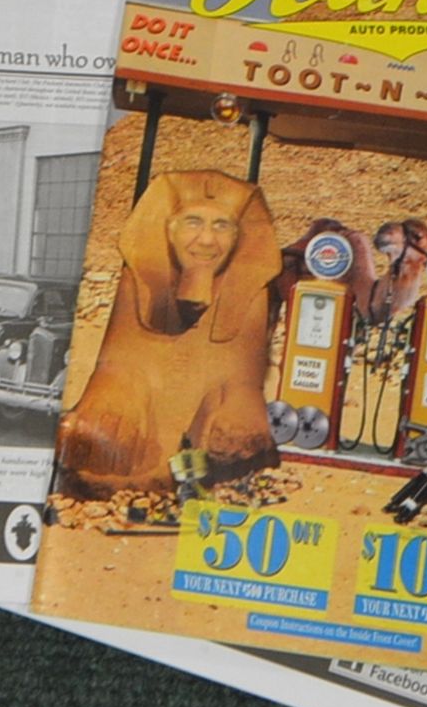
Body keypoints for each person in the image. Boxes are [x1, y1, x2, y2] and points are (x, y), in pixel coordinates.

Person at [54, 170, 281, 495]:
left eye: (222, 226)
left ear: (240, 237)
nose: (207, 240)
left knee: (234, 432)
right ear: (168, 229)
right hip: (144, 399)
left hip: (203, 413)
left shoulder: (251, 291)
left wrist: (234, 405)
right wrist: (115, 396)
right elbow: (118, 364)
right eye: (193, 222)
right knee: (104, 425)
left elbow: (242, 377)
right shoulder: (138, 279)